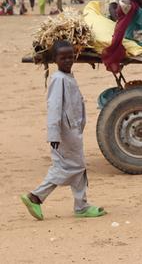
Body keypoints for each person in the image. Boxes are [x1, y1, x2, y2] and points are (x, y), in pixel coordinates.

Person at [20, 41, 106, 220]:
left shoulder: (68, 77)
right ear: (55, 59)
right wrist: (54, 134)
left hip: (72, 131)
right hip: (64, 133)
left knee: (78, 166)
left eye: (70, 56)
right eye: (63, 57)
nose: (67, 60)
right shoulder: (58, 79)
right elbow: (54, 107)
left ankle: (81, 205)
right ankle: (36, 196)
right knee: (67, 167)